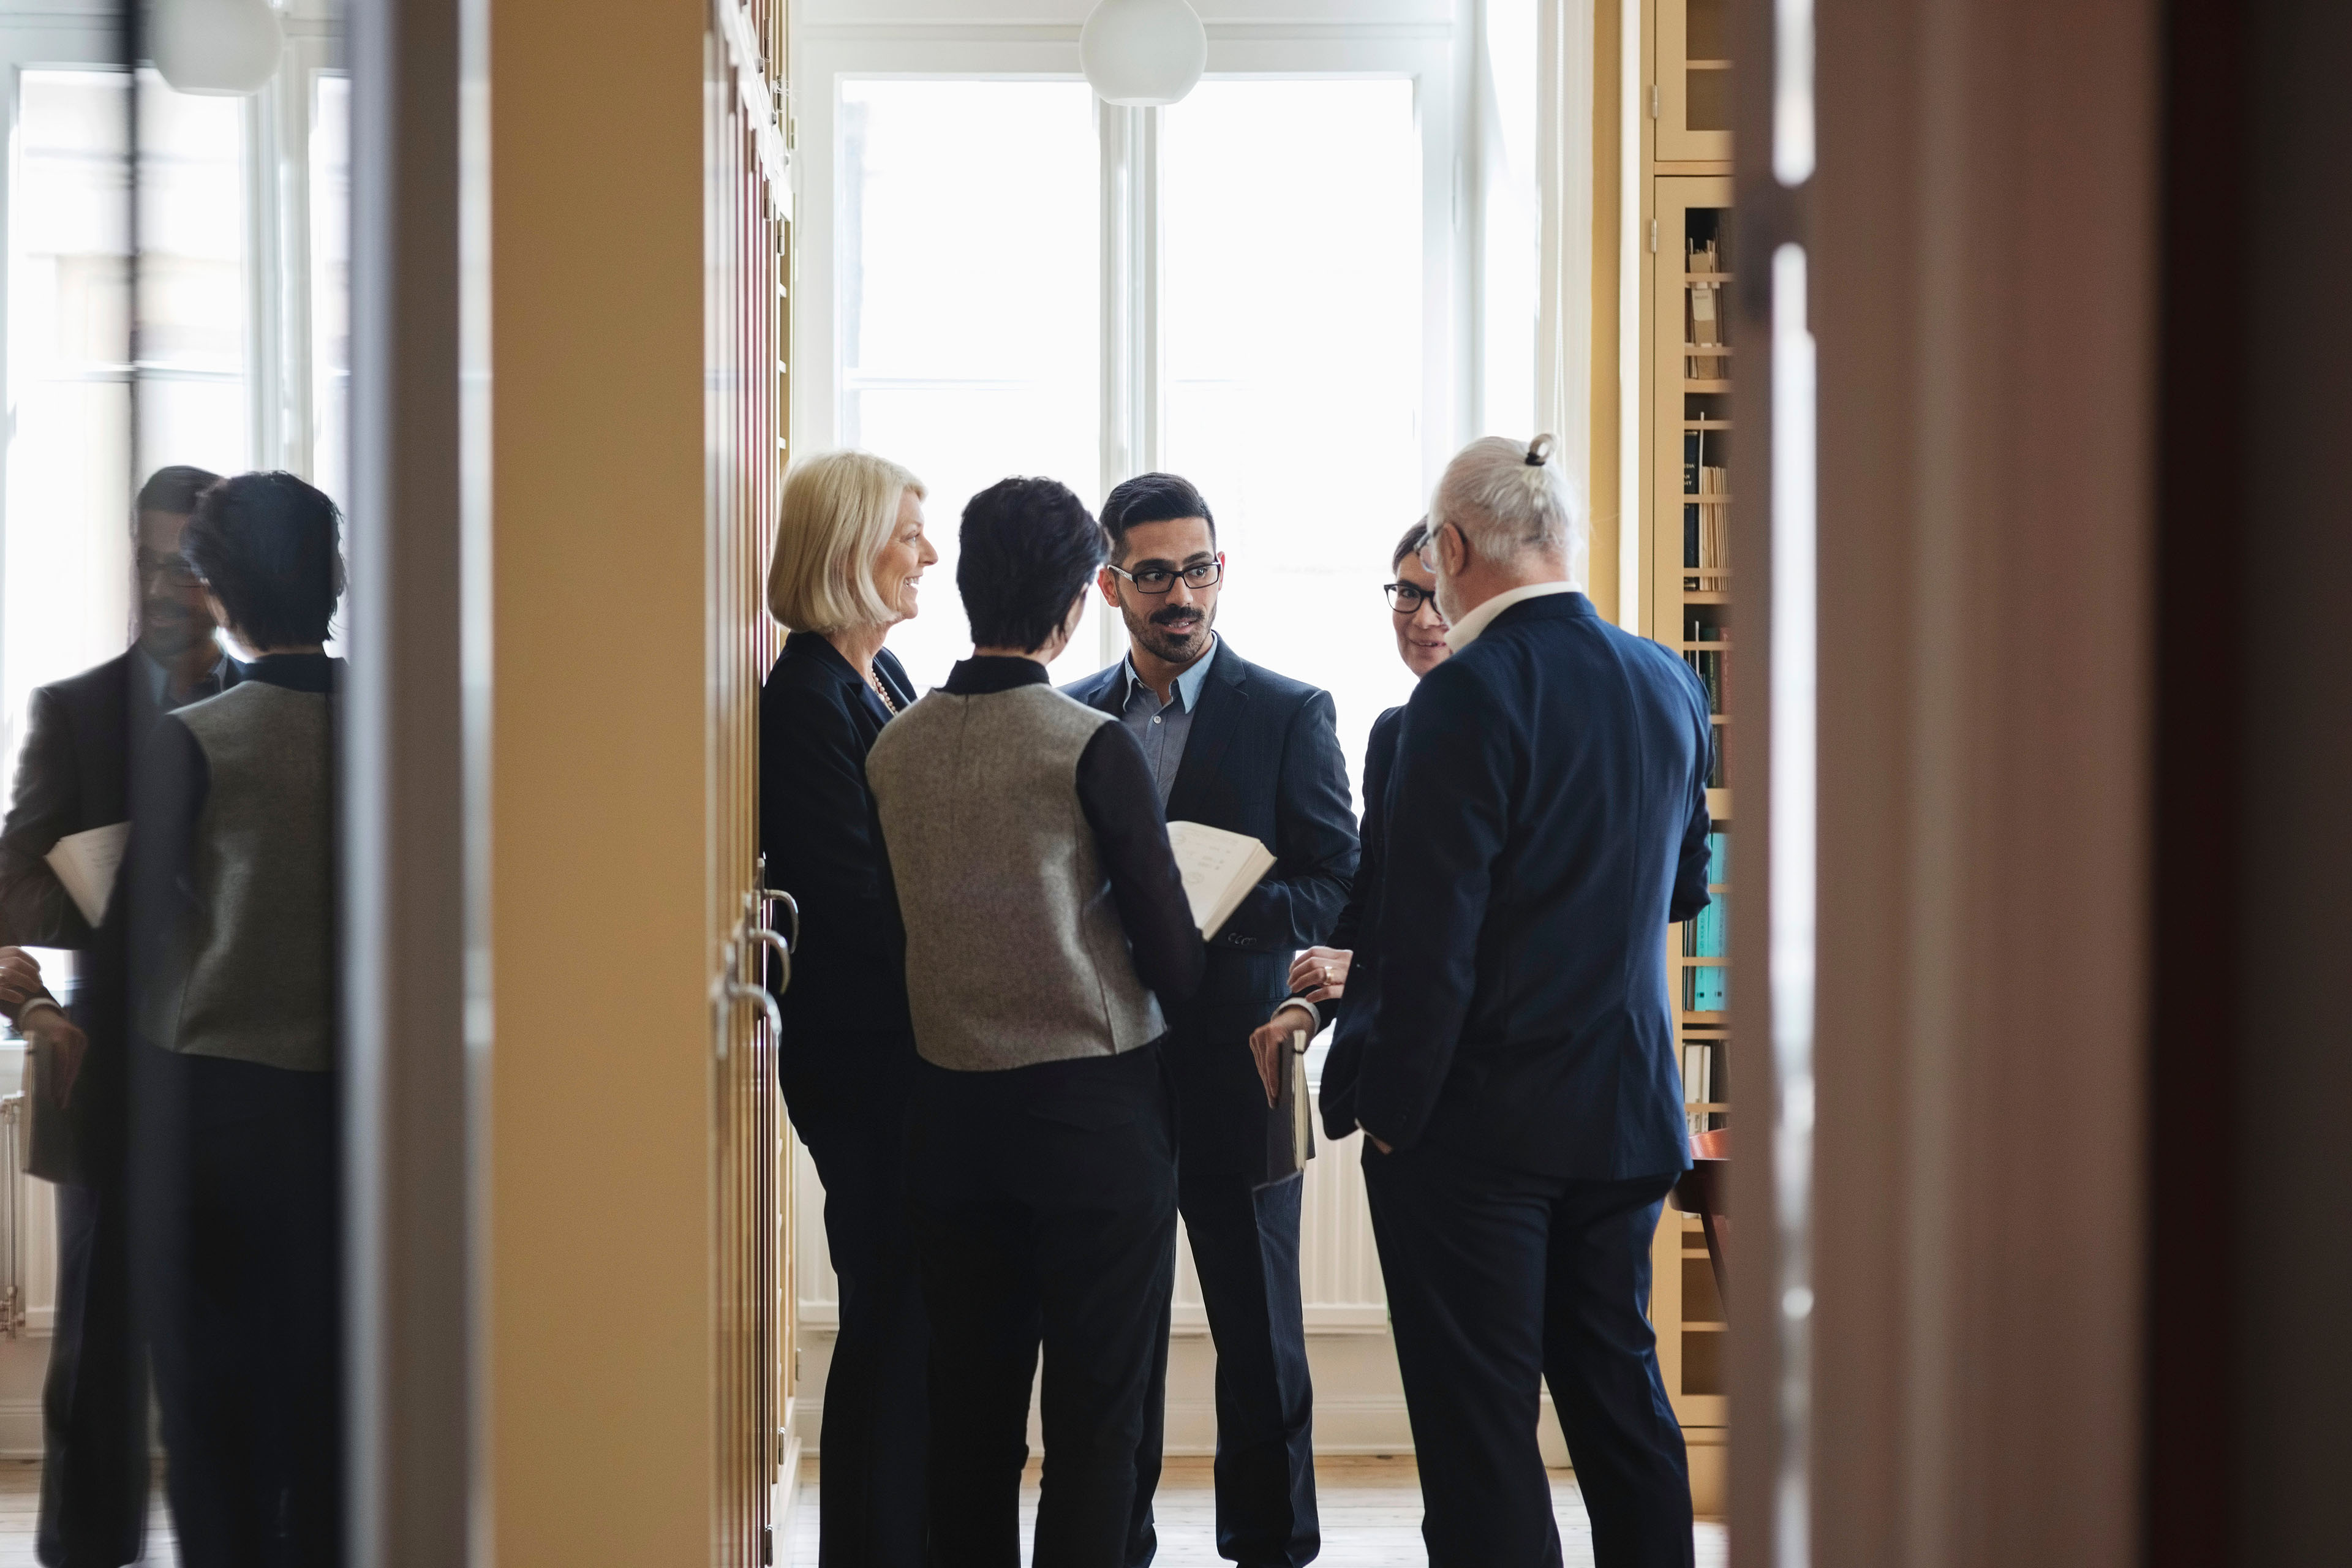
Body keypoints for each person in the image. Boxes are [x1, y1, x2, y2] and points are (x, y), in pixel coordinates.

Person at [1348, 436, 1713, 1568]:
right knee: (1623, 1407)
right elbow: (1685, 890)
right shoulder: (1668, 677)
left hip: (1482, 1132)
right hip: (1627, 1115)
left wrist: (1393, 1113)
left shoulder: (1464, 695)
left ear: (1452, 549)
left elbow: (1430, 943)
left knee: (1483, 1435)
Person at [868, 476, 1204, 1568]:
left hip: (948, 1117)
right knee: (1099, 1420)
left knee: (969, 1419)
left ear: (968, 588)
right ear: (1076, 603)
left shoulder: (893, 749)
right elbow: (1169, 953)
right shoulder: (1090, 744)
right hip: (1092, 1124)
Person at [1061, 473, 1357, 1568]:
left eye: (1197, 569)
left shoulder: (1290, 712)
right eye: (1152, 574)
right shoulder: (1072, 713)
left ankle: (1273, 1548)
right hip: (1103, 1072)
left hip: (1246, 1065)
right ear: (1109, 585)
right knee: (1112, 1340)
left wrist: (1218, 911)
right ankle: (1112, 1542)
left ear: (1220, 571)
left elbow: (1336, 873)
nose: (1179, 594)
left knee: (1260, 1334)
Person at [0, 462, 229, 1568]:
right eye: (151, 560)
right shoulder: (75, 708)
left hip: (244, 1069)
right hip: (109, 1074)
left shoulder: (270, 699)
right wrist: (117, 897)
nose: (167, 584)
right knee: (96, 1349)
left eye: (189, 561)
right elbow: (10, 886)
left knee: (236, 1352)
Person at [123, 470, 347, 1567]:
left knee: (216, 1414)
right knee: (338, 1398)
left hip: (216, 1108)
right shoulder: (418, 736)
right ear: (336, 578)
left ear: (219, 590)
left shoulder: (198, 739)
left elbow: (138, 938)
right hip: (365, 1111)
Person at [758, 449, 937, 1568]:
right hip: (865, 1052)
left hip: (901, 1044)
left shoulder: (882, 677)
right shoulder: (810, 697)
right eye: (911, 531)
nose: (930, 553)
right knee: (890, 1304)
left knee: (912, 1305)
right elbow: (859, 894)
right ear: (847, 549)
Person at [1248, 519, 1450, 1121]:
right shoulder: (1394, 735)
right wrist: (1304, 1008)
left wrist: (1363, 971)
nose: (1421, 617)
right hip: (1406, 1091)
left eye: (1439, 595)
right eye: (1407, 592)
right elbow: (1366, 907)